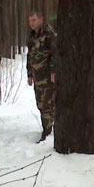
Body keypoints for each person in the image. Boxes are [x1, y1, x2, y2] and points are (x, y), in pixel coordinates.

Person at [26, 11, 57, 142]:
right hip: (37, 76)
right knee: (40, 103)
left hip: (47, 75)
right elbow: (30, 56)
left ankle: (49, 132)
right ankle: (47, 128)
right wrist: (29, 73)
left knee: (48, 104)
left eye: (34, 20)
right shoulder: (32, 36)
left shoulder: (49, 33)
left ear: (41, 19)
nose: (31, 23)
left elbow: (55, 53)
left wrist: (54, 71)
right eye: (30, 21)